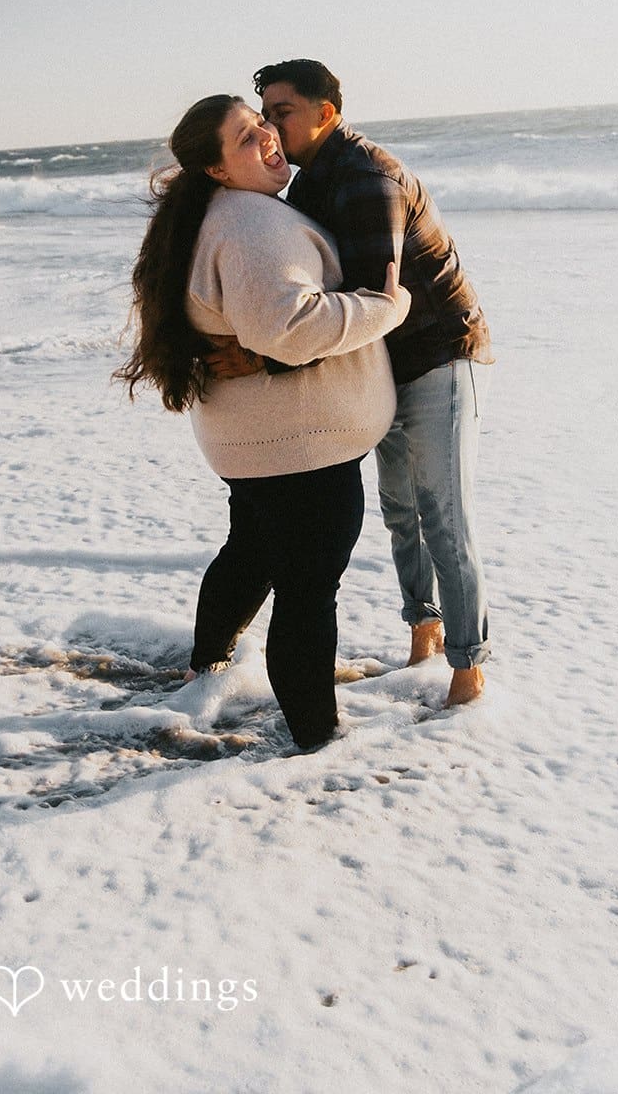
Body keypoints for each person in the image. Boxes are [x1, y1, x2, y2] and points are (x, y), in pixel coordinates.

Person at [116, 94, 411, 750]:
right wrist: (387, 306)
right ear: (218, 169)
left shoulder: (215, 213)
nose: (269, 137)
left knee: (250, 552)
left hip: (254, 443)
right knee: (308, 593)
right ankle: (316, 737)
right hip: (299, 449)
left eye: (264, 123)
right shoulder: (251, 225)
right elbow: (289, 329)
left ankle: (207, 667)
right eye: (247, 138)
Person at [214, 60, 493, 707]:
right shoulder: (310, 182)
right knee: (400, 510)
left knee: (444, 516)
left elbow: (367, 302)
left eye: (282, 112)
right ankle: (424, 636)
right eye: (264, 116)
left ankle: (468, 670)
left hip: (436, 356)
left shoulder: (368, 179)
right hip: (381, 363)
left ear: (325, 113)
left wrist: (264, 358)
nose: (271, 128)